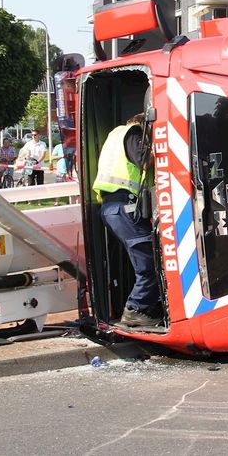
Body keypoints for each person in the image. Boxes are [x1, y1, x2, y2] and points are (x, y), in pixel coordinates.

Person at [93, 114, 159, 326]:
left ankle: (147, 309)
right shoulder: (134, 132)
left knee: (144, 259)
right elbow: (143, 160)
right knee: (150, 262)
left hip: (114, 207)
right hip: (123, 206)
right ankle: (136, 309)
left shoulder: (115, 134)